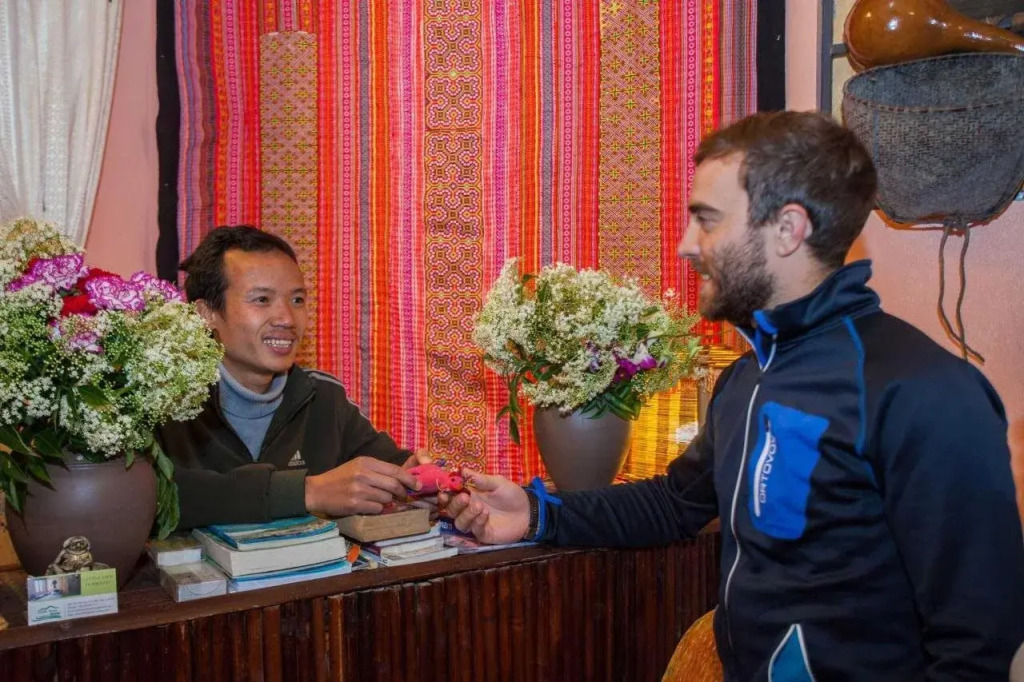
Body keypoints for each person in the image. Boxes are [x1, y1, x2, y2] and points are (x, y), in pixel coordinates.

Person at [446, 111, 1024, 680]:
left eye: (707, 219)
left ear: (788, 229)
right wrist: (537, 513)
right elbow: (675, 503)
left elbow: (975, 643)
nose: (685, 245)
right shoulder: (749, 377)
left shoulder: (924, 392)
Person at [157, 226, 427, 530]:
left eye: (297, 300)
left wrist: (420, 482)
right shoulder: (161, 400)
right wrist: (307, 492)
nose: (287, 319)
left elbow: (389, 464)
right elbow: (158, 496)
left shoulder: (322, 396)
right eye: (262, 299)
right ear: (206, 314)